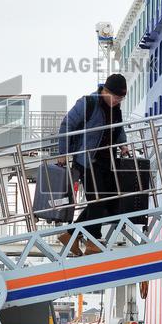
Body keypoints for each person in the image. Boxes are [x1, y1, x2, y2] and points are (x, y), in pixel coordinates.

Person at [57, 74, 131, 256]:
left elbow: (118, 127)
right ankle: (93, 242)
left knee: (111, 202)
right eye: (114, 96)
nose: (116, 101)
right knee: (97, 201)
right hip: (87, 161)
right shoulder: (88, 103)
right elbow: (67, 124)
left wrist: (123, 144)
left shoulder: (116, 108)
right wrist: (63, 152)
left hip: (108, 160)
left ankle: (70, 235)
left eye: (120, 98)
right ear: (105, 91)